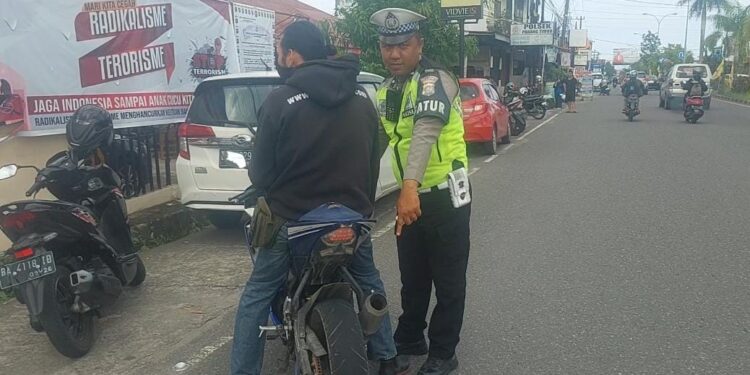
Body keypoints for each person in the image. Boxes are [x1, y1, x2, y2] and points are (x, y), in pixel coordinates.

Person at [230, 20, 407, 375]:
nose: (279, 57)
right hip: (352, 216)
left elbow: (260, 175)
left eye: (280, 51)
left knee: (258, 293)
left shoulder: (280, 99)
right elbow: (373, 159)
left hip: (293, 220)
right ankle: (388, 357)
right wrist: (359, 202)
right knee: (368, 278)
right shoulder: (362, 97)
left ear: (293, 55)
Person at [370, 8, 472, 375]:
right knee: (413, 276)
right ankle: (411, 335)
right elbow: (379, 141)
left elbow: (425, 133)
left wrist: (408, 188)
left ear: (419, 45)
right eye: (387, 46)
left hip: (445, 194)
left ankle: (444, 352)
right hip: (409, 198)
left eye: (403, 45)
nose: (394, 53)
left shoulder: (435, 80)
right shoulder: (385, 90)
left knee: (448, 278)